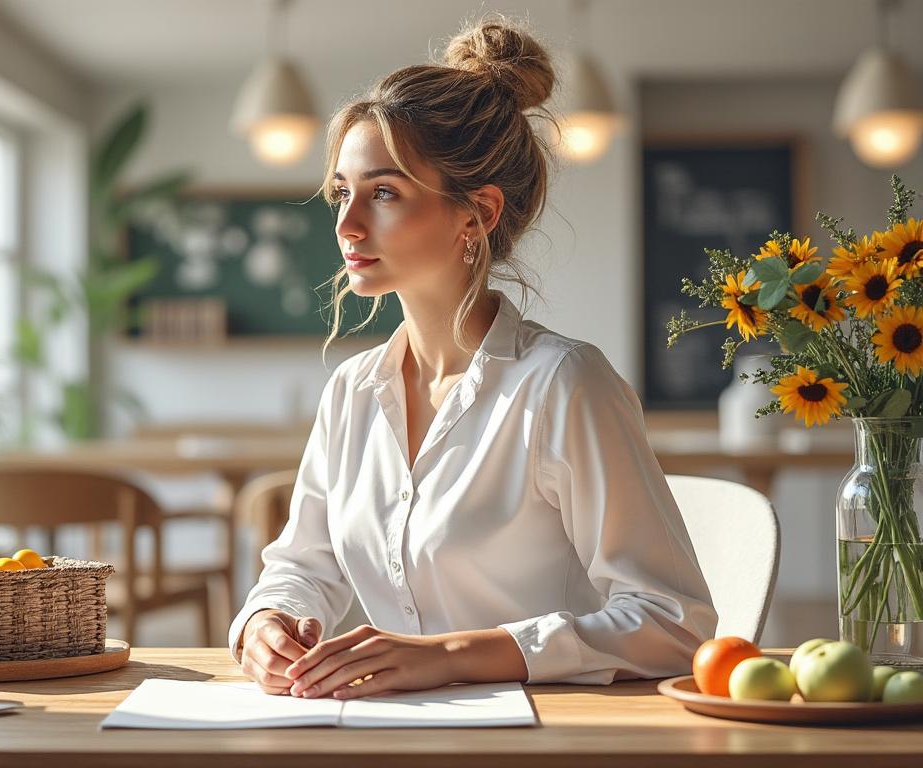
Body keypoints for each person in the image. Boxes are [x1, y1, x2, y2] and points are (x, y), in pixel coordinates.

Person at [228, 17, 717, 700]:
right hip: (390, 732)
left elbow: (674, 624)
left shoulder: (563, 385)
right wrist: (264, 623)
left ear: (477, 213)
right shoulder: (351, 392)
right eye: (343, 191)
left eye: (385, 192)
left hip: (555, 734)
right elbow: (302, 566)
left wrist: (455, 655)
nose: (346, 223)